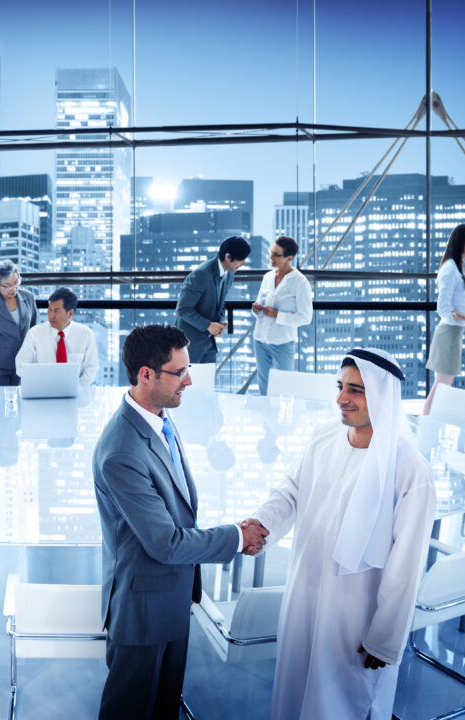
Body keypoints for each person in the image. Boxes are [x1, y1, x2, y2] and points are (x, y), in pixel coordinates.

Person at [246, 348, 435, 720]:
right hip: (305, 594)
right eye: (340, 387)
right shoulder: (323, 438)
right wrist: (262, 525)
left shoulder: (410, 468)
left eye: (355, 390)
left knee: (345, 700)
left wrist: (385, 638)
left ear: (381, 397)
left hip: (357, 614)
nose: (341, 399)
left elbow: (407, 566)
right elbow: (290, 491)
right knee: (294, 689)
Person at [93, 324, 267, 720]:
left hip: (170, 599)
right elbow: (166, 542)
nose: (189, 380)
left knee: (164, 708)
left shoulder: (159, 419)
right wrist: (237, 537)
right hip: (142, 612)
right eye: (179, 372)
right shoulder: (121, 450)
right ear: (146, 374)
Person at [422, 223, 465, 415]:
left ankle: (432, 425)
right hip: (448, 332)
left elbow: (454, 304)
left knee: (445, 386)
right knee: (441, 386)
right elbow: (443, 308)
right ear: (462, 240)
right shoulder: (450, 268)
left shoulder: (460, 265)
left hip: (454, 332)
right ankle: (426, 426)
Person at [251, 236, 313, 395]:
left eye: (276, 255)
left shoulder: (300, 282)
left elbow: (305, 317)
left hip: (282, 342)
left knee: (284, 388)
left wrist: (278, 315)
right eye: (271, 253)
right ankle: (267, 419)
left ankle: (282, 419)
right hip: (260, 339)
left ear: (289, 258)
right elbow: (259, 303)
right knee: (263, 387)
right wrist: (256, 309)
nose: (271, 257)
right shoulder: (267, 277)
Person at [174, 235, 251, 364]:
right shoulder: (201, 274)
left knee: (207, 381)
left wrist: (220, 320)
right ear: (228, 257)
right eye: (241, 259)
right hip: (189, 344)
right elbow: (183, 309)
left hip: (208, 342)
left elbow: (221, 302)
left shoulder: (229, 274)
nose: (243, 263)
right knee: (188, 382)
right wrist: (209, 325)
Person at [14, 286, 99, 385]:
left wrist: (74, 387)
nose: (51, 315)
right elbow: (21, 366)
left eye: (56, 311)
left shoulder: (86, 335)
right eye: (49, 309)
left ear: (70, 313)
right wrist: (42, 382)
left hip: (75, 391)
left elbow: (91, 369)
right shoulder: (35, 334)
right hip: (43, 390)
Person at [0, 259, 37, 386]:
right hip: (0, 367)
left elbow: (33, 331)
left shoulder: (28, 297)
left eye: (16, 283)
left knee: (24, 403)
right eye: (6, 285)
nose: (13, 288)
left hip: (25, 364)